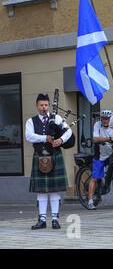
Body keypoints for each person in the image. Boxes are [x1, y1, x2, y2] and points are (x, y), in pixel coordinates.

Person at [25, 93, 72, 230]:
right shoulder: (31, 121)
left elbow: (68, 131)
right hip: (39, 156)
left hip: (54, 155)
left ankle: (55, 219)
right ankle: (42, 220)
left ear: (49, 105)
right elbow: (29, 136)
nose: (44, 107)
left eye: (46, 105)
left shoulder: (56, 118)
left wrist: (61, 140)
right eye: (41, 105)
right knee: (42, 191)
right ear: (37, 106)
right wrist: (45, 138)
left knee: (55, 190)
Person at [86, 109, 113, 210]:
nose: (105, 121)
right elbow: (95, 139)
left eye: (107, 119)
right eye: (103, 119)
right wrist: (110, 139)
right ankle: (90, 201)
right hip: (100, 154)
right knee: (95, 178)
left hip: (111, 153)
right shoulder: (97, 125)